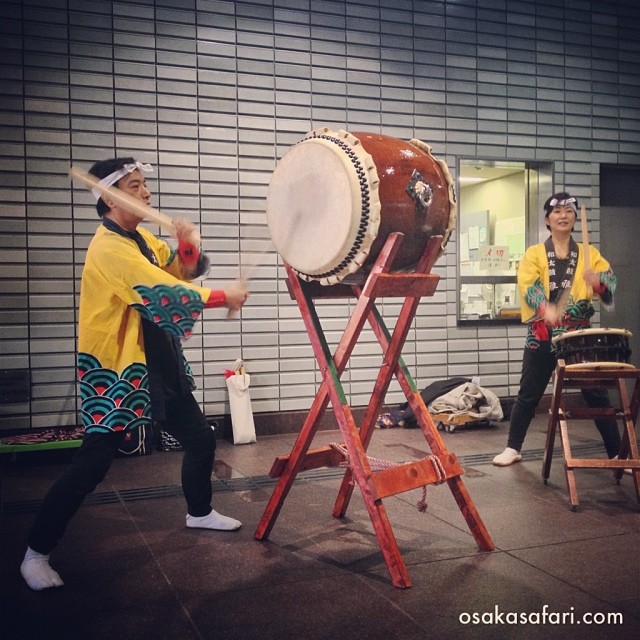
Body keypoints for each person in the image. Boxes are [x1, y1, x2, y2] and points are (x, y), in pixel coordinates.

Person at [20, 158, 249, 591]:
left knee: (199, 437)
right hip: (117, 369)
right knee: (93, 463)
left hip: (155, 359)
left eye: (145, 185)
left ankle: (199, 512)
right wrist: (224, 296)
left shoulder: (139, 237)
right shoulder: (109, 248)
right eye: (135, 185)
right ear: (109, 198)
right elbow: (163, 291)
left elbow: (181, 270)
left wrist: (186, 245)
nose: (146, 193)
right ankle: (35, 553)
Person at [493, 192, 620, 467]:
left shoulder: (589, 253)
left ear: (575, 219)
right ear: (547, 219)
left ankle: (616, 451)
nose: (563, 216)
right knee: (529, 393)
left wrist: (597, 282)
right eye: (557, 211)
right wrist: (544, 307)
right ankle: (513, 447)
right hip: (543, 335)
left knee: (596, 393)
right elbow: (528, 285)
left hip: (578, 339)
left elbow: (609, 284)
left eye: (569, 211)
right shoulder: (535, 254)